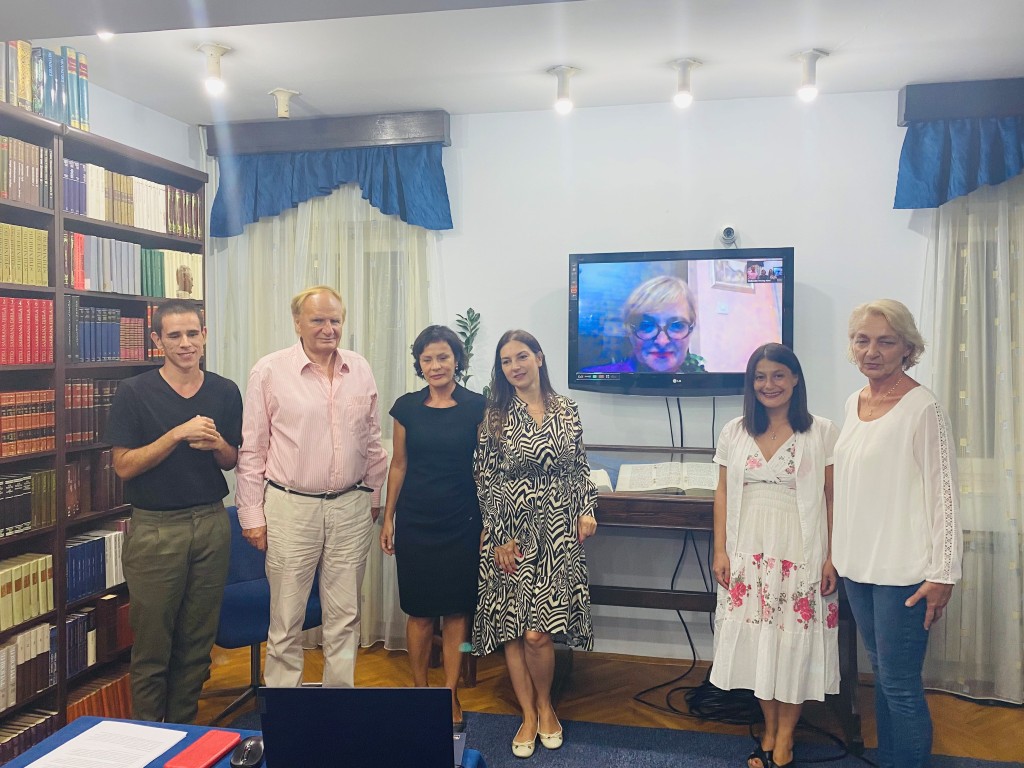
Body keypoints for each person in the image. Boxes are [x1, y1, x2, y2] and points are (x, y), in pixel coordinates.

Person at [235, 285, 388, 688]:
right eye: (318, 319)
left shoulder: (360, 368)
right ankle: (285, 710)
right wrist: (251, 515)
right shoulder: (269, 371)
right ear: (297, 323)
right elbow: (253, 448)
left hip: (351, 506)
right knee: (287, 617)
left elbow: (372, 439)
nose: (327, 328)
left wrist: (373, 494)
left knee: (345, 616)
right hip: (291, 508)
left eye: (335, 320)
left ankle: (338, 704)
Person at [832, 299, 962, 768]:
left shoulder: (923, 407)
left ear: (907, 348)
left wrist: (943, 573)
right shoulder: (854, 403)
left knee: (900, 685)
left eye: (885, 342)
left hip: (904, 571)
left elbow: (945, 496)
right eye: (862, 340)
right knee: (883, 679)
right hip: (858, 566)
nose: (872, 351)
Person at [105, 299, 243, 723]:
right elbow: (123, 465)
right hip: (156, 529)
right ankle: (151, 737)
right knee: (153, 647)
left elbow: (231, 460)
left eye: (193, 333)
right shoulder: (134, 392)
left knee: (197, 644)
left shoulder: (225, 390)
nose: (186, 343)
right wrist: (176, 434)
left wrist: (217, 444)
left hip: (211, 522)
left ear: (205, 335)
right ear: (157, 341)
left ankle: (185, 733)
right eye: (175, 335)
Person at [710, 343, 839, 768]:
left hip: (800, 553)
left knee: (791, 645)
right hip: (748, 553)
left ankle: (785, 737)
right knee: (761, 645)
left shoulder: (822, 431)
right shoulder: (735, 431)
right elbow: (723, 493)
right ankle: (768, 729)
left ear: (795, 379)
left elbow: (832, 497)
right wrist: (720, 550)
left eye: (778, 375)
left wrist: (831, 557)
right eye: (760, 377)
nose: (769, 385)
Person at [472, 329, 598, 758]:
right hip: (511, 532)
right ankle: (528, 713)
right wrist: (498, 537)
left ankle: (546, 705)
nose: (515, 367)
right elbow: (484, 478)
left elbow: (579, 467)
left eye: (522, 356)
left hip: (557, 531)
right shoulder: (495, 416)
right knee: (515, 630)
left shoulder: (567, 408)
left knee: (538, 634)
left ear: (539, 358)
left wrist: (587, 509)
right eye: (506, 361)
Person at [380, 325, 486, 727]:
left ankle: (450, 694)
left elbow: (485, 470)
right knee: (420, 612)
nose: (436, 365)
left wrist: (488, 523)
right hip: (416, 521)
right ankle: (421, 690)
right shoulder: (406, 407)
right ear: (419, 364)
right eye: (428, 359)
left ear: (456, 360)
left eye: (443, 357)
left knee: (457, 611)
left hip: (462, 519)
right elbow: (399, 464)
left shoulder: (478, 406)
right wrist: (388, 517)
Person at [582, 275, 706, 374]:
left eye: (677, 326)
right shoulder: (596, 379)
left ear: (691, 329)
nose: (662, 342)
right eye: (646, 326)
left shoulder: (700, 387)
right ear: (629, 332)